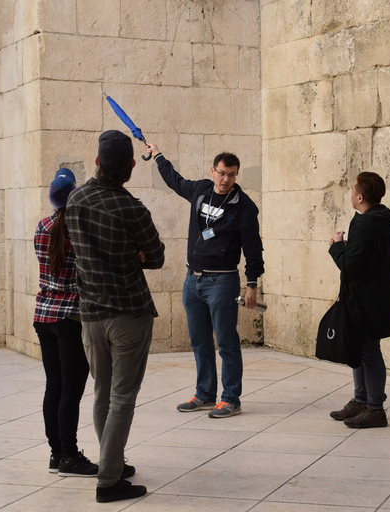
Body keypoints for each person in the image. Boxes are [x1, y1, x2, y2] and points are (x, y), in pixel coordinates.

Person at [66, 130, 165, 503]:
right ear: (129, 170)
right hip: (128, 312)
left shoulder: (75, 200)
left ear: (97, 163)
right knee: (122, 397)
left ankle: (113, 461)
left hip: (90, 313)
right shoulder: (132, 209)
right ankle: (109, 480)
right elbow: (155, 256)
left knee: (102, 393)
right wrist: (136, 255)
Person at [144, 142, 264, 419]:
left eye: (232, 175)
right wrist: (159, 156)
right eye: (222, 173)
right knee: (199, 341)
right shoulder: (200, 190)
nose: (226, 180)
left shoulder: (244, 207)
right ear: (213, 170)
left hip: (222, 281)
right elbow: (175, 181)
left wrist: (252, 283)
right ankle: (205, 394)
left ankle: (231, 399)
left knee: (226, 341)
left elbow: (253, 248)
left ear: (236, 175)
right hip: (192, 279)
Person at [33, 168, 97, 477]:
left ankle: (56, 454)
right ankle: (70, 456)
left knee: (54, 387)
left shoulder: (42, 227)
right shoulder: (79, 229)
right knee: (72, 390)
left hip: (43, 316)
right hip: (71, 316)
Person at [327, 171, 390, 429]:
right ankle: (362, 400)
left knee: (369, 352)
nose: (350, 195)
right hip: (375, 297)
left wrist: (336, 247)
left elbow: (351, 267)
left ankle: (375, 408)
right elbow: (367, 257)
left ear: (359, 196)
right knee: (359, 349)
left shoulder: (364, 223)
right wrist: (351, 247)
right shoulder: (380, 219)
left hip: (365, 301)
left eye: (351, 191)